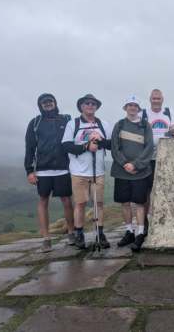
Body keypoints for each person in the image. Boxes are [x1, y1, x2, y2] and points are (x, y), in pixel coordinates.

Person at [24, 93, 75, 252]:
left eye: (50, 101)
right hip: (43, 169)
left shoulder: (66, 119)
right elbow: (30, 148)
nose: (47, 104)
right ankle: (46, 238)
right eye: (44, 102)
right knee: (43, 201)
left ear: (55, 102)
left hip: (63, 168)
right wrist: (29, 170)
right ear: (40, 105)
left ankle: (71, 233)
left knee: (67, 201)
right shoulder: (35, 123)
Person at [62, 94, 112, 249]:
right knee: (81, 203)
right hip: (79, 172)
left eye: (93, 104)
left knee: (99, 203)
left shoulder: (103, 124)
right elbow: (66, 146)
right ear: (81, 106)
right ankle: (79, 233)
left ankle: (100, 232)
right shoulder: (73, 124)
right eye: (87, 103)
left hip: (98, 171)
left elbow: (110, 144)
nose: (90, 106)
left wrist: (100, 141)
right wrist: (86, 146)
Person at [111, 95, 154, 252]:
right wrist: (124, 164)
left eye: (135, 105)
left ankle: (140, 233)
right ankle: (129, 231)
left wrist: (135, 164)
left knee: (140, 203)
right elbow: (115, 147)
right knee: (125, 202)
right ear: (125, 108)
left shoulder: (145, 125)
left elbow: (149, 148)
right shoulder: (119, 124)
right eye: (129, 105)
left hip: (140, 172)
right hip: (122, 172)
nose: (132, 108)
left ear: (138, 108)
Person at [141, 89, 174, 234]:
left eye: (158, 98)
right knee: (146, 192)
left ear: (162, 99)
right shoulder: (143, 114)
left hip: (165, 158)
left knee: (165, 191)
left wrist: (172, 132)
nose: (156, 101)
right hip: (147, 158)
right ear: (150, 99)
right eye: (154, 98)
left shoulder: (169, 112)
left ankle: (165, 220)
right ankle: (144, 223)